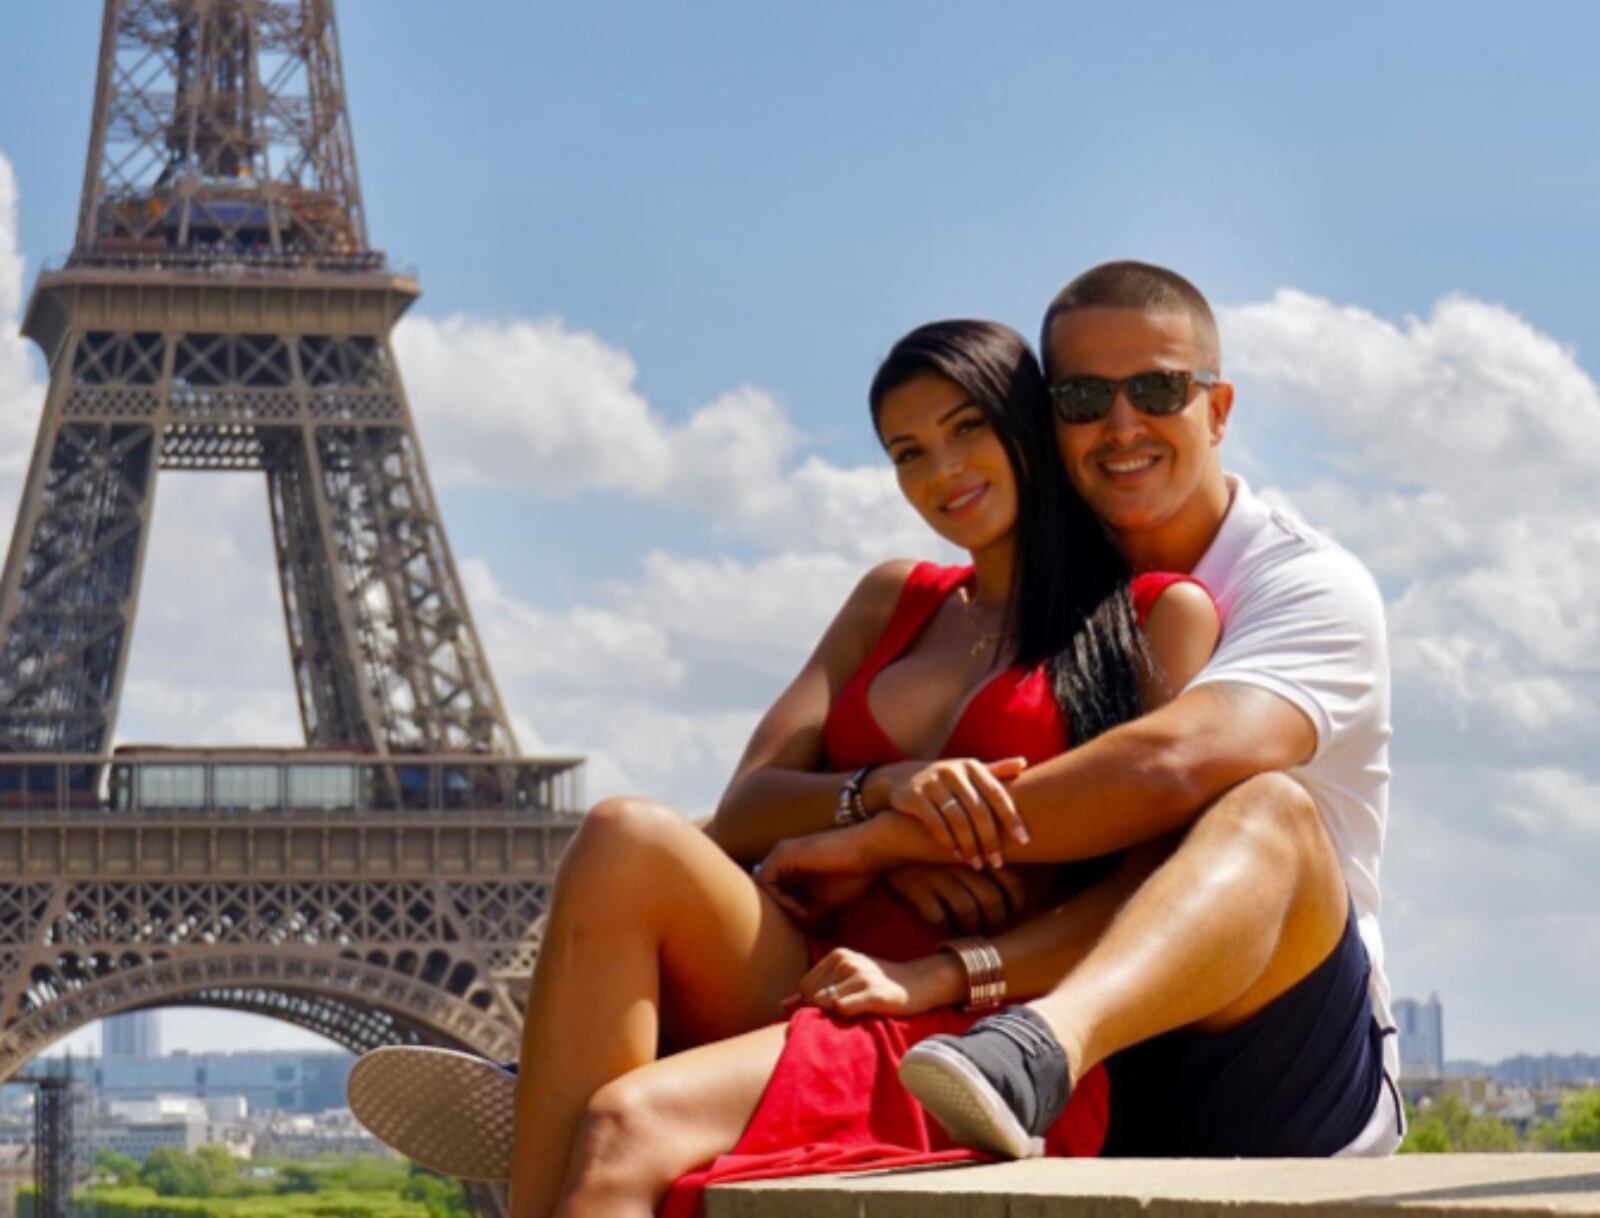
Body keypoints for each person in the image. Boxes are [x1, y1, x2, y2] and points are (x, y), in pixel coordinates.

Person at [347, 318, 1219, 1217]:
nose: (941, 472)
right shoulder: (895, 599)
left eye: (967, 429)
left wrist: (949, 957)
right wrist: (884, 804)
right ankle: (590, 1074)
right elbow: (745, 808)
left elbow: (1156, 902)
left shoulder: (1155, 620)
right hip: (810, 961)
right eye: (908, 452)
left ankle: (572, 1081)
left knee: (618, 1124)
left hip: (967, 1026)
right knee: (623, 832)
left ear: (1027, 424)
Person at [760, 261, 1401, 1161]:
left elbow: (1169, 767)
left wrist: (884, 841)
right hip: (1034, 1008)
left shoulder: (1302, 583)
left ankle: (1038, 1049)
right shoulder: (1043, 587)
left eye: (1157, 388)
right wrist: (892, 827)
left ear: (1217, 410)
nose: (1121, 423)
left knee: (1267, 808)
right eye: (1085, 397)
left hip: (1254, 1043)